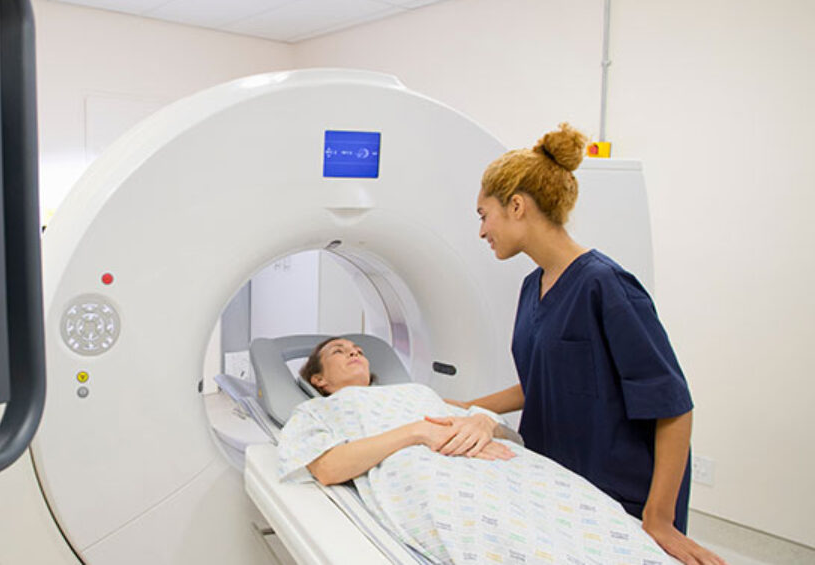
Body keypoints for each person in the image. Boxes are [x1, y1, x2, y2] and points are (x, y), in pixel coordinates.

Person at [454, 123, 724, 564]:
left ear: (516, 206)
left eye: (484, 215)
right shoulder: (531, 288)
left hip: (621, 498)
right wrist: (465, 407)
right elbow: (544, 383)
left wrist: (659, 519)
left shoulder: (606, 286)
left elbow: (673, 405)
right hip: (559, 486)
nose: (482, 230)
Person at [278, 337, 680, 564]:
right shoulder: (319, 409)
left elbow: (504, 433)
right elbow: (328, 468)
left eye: (357, 349)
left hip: (500, 463)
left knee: (586, 513)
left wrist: (484, 422)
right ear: (319, 378)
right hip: (424, 469)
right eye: (338, 351)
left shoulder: (418, 392)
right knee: (515, 536)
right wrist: (416, 433)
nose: (353, 352)